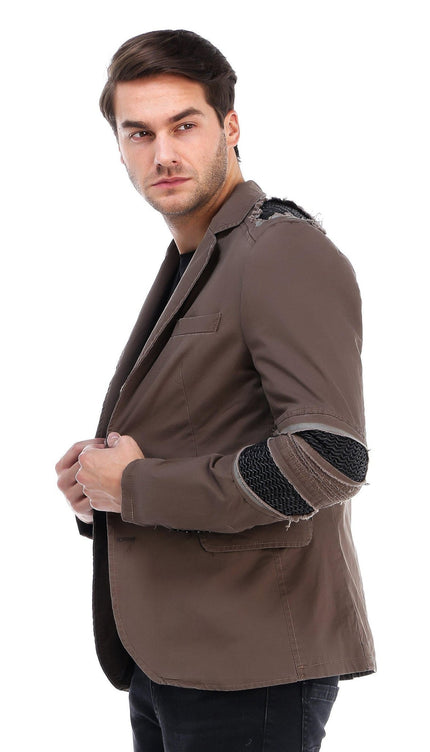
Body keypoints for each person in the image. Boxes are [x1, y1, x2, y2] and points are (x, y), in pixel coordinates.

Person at [55, 29, 376, 752]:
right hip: (171, 659)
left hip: (248, 669)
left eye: (184, 125)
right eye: (139, 133)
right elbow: (210, 427)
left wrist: (136, 486)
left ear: (231, 127)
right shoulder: (203, 257)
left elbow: (329, 458)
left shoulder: (278, 250)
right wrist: (102, 490)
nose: (162, 154)